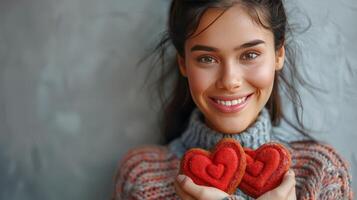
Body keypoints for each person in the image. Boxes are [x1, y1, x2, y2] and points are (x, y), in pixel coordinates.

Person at [112, 0, 353, 199]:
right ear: (183, 63)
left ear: (279, 54)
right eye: (207, 59)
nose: (229, 80)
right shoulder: (141, 177)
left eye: (250, 55)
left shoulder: (322, 172)